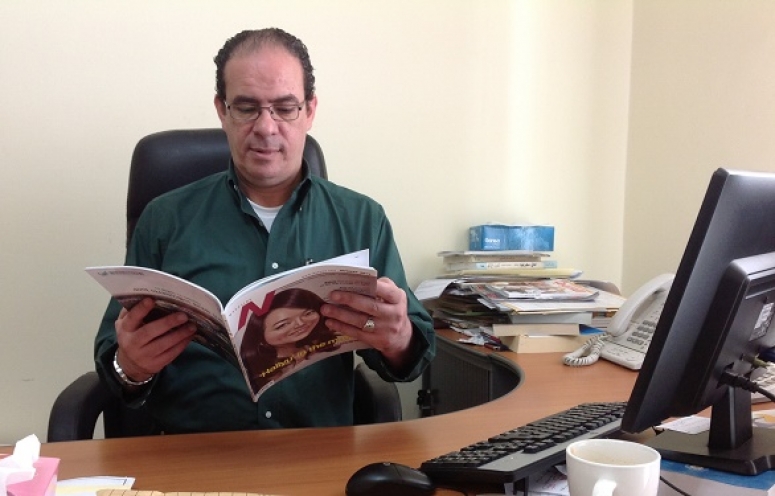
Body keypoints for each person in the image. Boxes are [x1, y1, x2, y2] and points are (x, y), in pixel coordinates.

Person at [94, 27, 435, 433]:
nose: (266, 127)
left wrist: (399, 339)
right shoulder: (164, 219)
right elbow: (115, 366)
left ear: (310, 110)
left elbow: (411, 360)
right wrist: (131, 367)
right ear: (222, 110)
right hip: (194, 452)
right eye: (246, 107)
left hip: (317, 451)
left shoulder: (361, 218)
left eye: (285, 108)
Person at [239, 288, 346, 391]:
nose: (300, 324)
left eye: (308, 313)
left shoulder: (328, 340)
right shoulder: (260, 371)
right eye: (282, 325)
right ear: (259, 336)